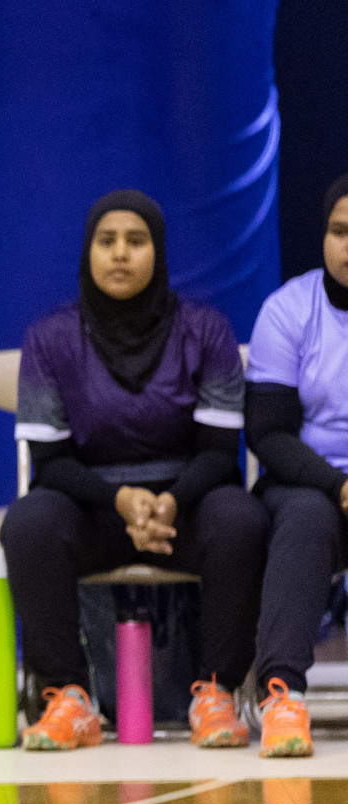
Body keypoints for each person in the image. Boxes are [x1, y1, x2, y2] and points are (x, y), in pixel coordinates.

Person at [2, 189, 267, 751]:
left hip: (185, 506)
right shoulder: (49, 339)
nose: (120, 254)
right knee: (29, 522)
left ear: (159, 251)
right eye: (106, 241)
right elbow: (49, 464)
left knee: (242, 516)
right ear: (88, 253)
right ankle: (68, 698)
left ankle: (216, 695)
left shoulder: (207, 329)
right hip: (94, 509)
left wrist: (167, 500)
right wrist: (120, 500)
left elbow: (221, 454)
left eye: (136, 241)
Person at [239, 174, 348, 758]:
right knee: (305, 516)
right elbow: (268, 432)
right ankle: (283, 694)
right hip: (308, 482)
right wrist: (338, 483)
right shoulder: (288, 309)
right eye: (339, 231)